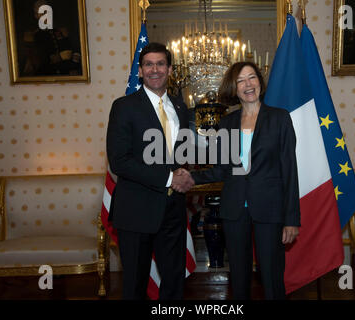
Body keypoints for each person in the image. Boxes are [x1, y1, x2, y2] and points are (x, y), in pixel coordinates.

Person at [190, 62, 301, 300]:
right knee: (238, 278)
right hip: (234, 209)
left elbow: (290, 170)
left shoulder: (279, 118)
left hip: (270, 209)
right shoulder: (227, 123)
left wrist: (291, 219)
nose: (248, 84)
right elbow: (220, 170)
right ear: (234, 87)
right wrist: (189, 176)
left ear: (260, 82)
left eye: (252, 78)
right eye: (241, 80)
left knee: (271, 277)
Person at [106, 42, 195, 300]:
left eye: (160, 64)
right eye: (148, 64)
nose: (154, 69)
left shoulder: (180, 107)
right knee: (135, 285)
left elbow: (182, 154)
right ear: (141, 70)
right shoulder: (123, 106)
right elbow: (119, 161)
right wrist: (169, 178)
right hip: (136, 209)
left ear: (169, 69)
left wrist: (185, 174)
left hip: (173, 211)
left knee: (174, 283)